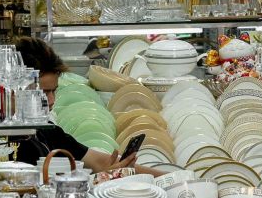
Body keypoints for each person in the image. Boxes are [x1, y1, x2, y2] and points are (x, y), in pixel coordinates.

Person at [13, 37, 163, 177]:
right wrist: (104, 177)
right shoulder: (9, 144)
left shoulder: (48, 131)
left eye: (54, 90)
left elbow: (101, 162)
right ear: (15, 89)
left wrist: (174, 178)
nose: (52, 100)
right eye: (43, 93)